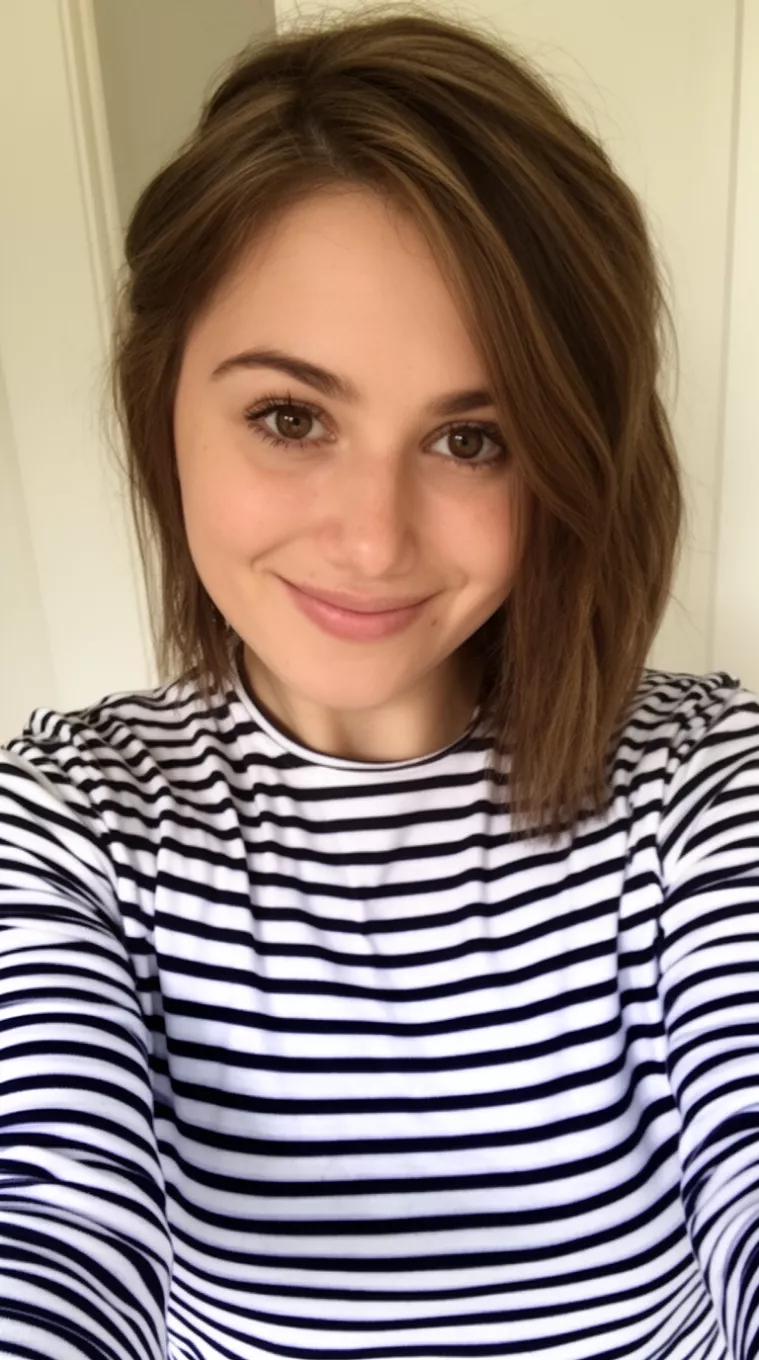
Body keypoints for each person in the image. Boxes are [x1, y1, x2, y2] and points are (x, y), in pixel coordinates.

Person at [1, 5, 758, 1358]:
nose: (369, 537)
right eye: (289, 417)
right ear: (160, 398)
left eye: (472, 438)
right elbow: (51, 1223)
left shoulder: (703, 793)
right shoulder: (68, 824)